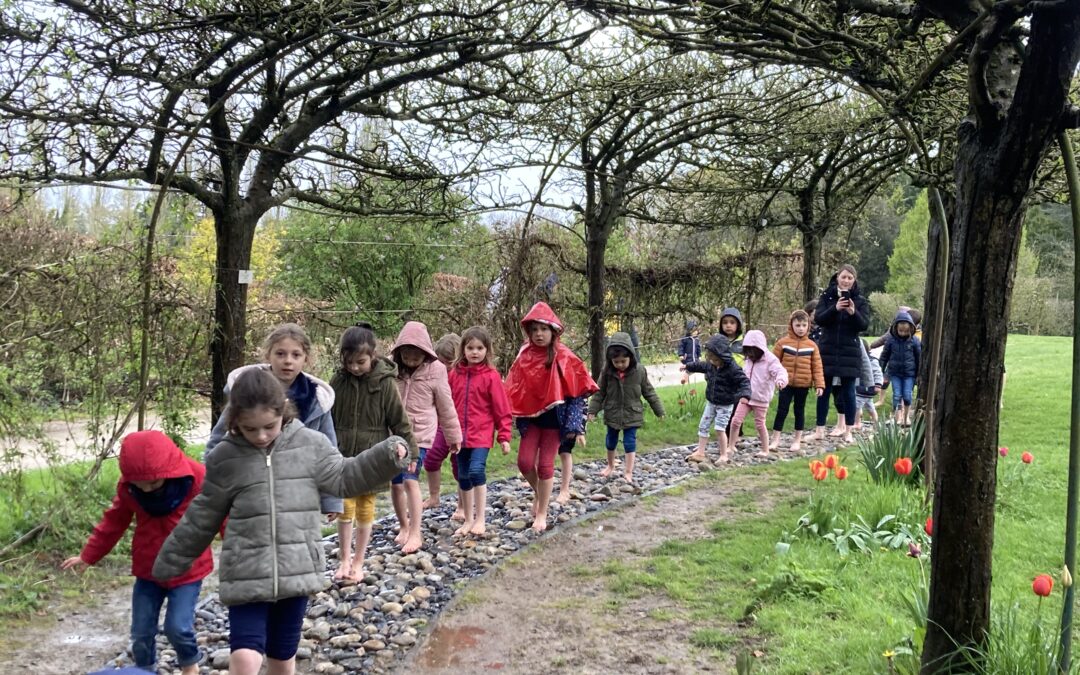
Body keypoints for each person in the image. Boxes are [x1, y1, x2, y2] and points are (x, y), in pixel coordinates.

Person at [153, 369, 409, 675]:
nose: (260, 436)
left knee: (282, 657)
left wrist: (386, 456)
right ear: (235, 421)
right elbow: (202, 515)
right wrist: (168, 564)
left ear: (283, 412)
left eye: (268, 427)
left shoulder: (311, 445)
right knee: (246, 657)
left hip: (296, 569)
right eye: (250, 429)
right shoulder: (225, 458)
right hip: (247, 571)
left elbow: (345, 476)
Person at [62, 431, 213, 675]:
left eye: (153, 484)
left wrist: (239, 550)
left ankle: (189, 663)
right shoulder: (129, 487)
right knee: (141, 629)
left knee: (178, 626)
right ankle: (144, 669)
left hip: (188, 568)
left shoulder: (196, 478)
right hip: (148, 568)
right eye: (140, 485)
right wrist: (88, 555)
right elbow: (114, 522)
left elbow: (219, 512)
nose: (147, 489)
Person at [204, 323, 341, 516]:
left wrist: (332, 499)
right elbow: (218, 441)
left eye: (296, 355)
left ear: (306, 359)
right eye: (280, 354)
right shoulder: (248, 391)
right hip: (251, 486)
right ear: (268, 355)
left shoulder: (318, 401)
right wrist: (211, 489)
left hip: (298, 490)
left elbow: (329, 453)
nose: (288, 361)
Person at [329, 322, 417, 582]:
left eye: (360, 362)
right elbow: (326, 418)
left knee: (365, 508)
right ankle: (344, 560)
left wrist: (411, 452)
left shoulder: (385, 383)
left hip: (373, 458)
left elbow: (399, 421)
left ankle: (359, 562)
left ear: (373, 356)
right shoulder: (338, 381)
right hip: (343, 456)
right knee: (344, 506)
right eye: (349, 362)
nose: (354, 367)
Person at [504, 302, 598, 532]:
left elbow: (578, 392)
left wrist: (577, 426)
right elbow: (513, 386)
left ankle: (542, 513)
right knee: (524, 462)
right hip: (532, 421)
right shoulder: (524, 355)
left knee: (546, 466)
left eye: (543, 329)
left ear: (553, 331)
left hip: (555, 422)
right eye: (534, 329)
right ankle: (540, 493)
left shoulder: (565, 356)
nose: (538, 334)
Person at [391, 321, 462, 553]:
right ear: (399, 351)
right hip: (392, 435)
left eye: (417, 352)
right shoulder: (391, 371)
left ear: (425, 352)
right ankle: (404, 525)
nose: (411, 356)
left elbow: (446, 405)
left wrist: (453, 435)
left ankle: (416, 532)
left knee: (410, 479)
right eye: (407, 351)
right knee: (396, 483)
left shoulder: (436, 371)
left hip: (419, 435)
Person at [448, 326, 513, 536]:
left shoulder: (491, 376)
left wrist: (504, 435)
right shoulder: (454, 375)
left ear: (487, 350)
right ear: (463, 350)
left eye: (479, 348)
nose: (475, 352)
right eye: (470, 348)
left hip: (481, 434)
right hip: (458, 435)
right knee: (463, 476)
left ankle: (480, 519)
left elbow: (501, 408)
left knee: (477, 471)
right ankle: (467, 519)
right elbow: (446, 403)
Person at [588, 332, 665, 482]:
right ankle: (610, 465)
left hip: (632, 414)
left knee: (630, 442)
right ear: (611, 361)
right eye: (616, 362)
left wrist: (659, 410)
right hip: (612, 413)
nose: (620, 365)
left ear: (631, 357)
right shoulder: (607, 372)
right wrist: (592, 410)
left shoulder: (640, 371)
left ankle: (628, 472)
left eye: (623, 361)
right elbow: (599, 392)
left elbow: (649, 391)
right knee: (610, 441)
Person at [811, 264, 871, 445]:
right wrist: (835, 308)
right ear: (838, 277)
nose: (846, 280)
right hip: (827, 349)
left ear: (854, 281)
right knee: (823, 390)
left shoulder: (860, 300)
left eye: (850, 278)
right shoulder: (827, 297)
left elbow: (864, 325)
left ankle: (848, 431)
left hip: (849, 352)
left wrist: (853, 313)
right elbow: (819, 319)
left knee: (849, 392)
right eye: (843, 277)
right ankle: (819, 430)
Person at [681, 334, 752, 465]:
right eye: (711, 360)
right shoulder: (711, 365)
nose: (713, 363)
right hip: (711, 402)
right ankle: (700, 452)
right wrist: (688, 366)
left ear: (723, 357)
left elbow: (744, 382)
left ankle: (724, 454)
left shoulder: (733, 368)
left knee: (720, 429)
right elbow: (700, 365)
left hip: (725, 404)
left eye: (716, 360)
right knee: (703, 425)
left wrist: (745, 395)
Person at [769, 310, 824, 454]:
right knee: (782, 410)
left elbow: (817, 367)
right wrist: (773, 379)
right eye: (797, 325)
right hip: (785, 383)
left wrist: (819, 384)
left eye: (804, 325)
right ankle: (775, 439)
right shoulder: (782, 343)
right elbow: (773, 362)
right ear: (791, 325)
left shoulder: (812, 346)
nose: (800, 328)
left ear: (808, 326)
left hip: (803, 384)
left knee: (799, 411)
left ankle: (797, 440)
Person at [729, 330, 788, 458]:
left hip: (761, 398)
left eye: (753, 351)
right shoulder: (748, 360)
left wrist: (781, 380)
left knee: (760, 424)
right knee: (735, 420)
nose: (750, 354)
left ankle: (765, 449)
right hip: (746, 396)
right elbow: (743, 375)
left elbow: (780, 371)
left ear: (760, 348)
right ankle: (731, 445)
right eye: (747, 351)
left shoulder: (770, 360)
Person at [423, 333, 463, 514]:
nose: (445, 366)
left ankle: (463, 504)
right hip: (440, 423)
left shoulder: (464, 376)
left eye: (449, 362)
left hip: (462, 424)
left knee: (460, 463)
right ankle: (434, 496)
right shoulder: (434, 375)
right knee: (431, 458)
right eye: (441, 361)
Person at [881, 309, 922, 426]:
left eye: (906, 331)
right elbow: (884, 356)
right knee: (897, 395)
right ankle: (897, 417)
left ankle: (906, 417)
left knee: (907, 395)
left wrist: (918, 374)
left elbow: (919, 358)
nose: (903, 333)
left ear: (910, 329)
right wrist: (882, 372)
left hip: (909, 374)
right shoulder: (890, 340)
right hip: (895, 373)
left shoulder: (914, 341)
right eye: (900, 331)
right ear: (896, 328)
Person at [852, 342, 885, 429]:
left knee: (856, 406)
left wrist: (878, 384)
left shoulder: (872, 361)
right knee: (870, 406)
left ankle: (857, 423)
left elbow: (878, 373)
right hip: (865, 389)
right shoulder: (858, 360)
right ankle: (876, 423)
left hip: (865, 388)